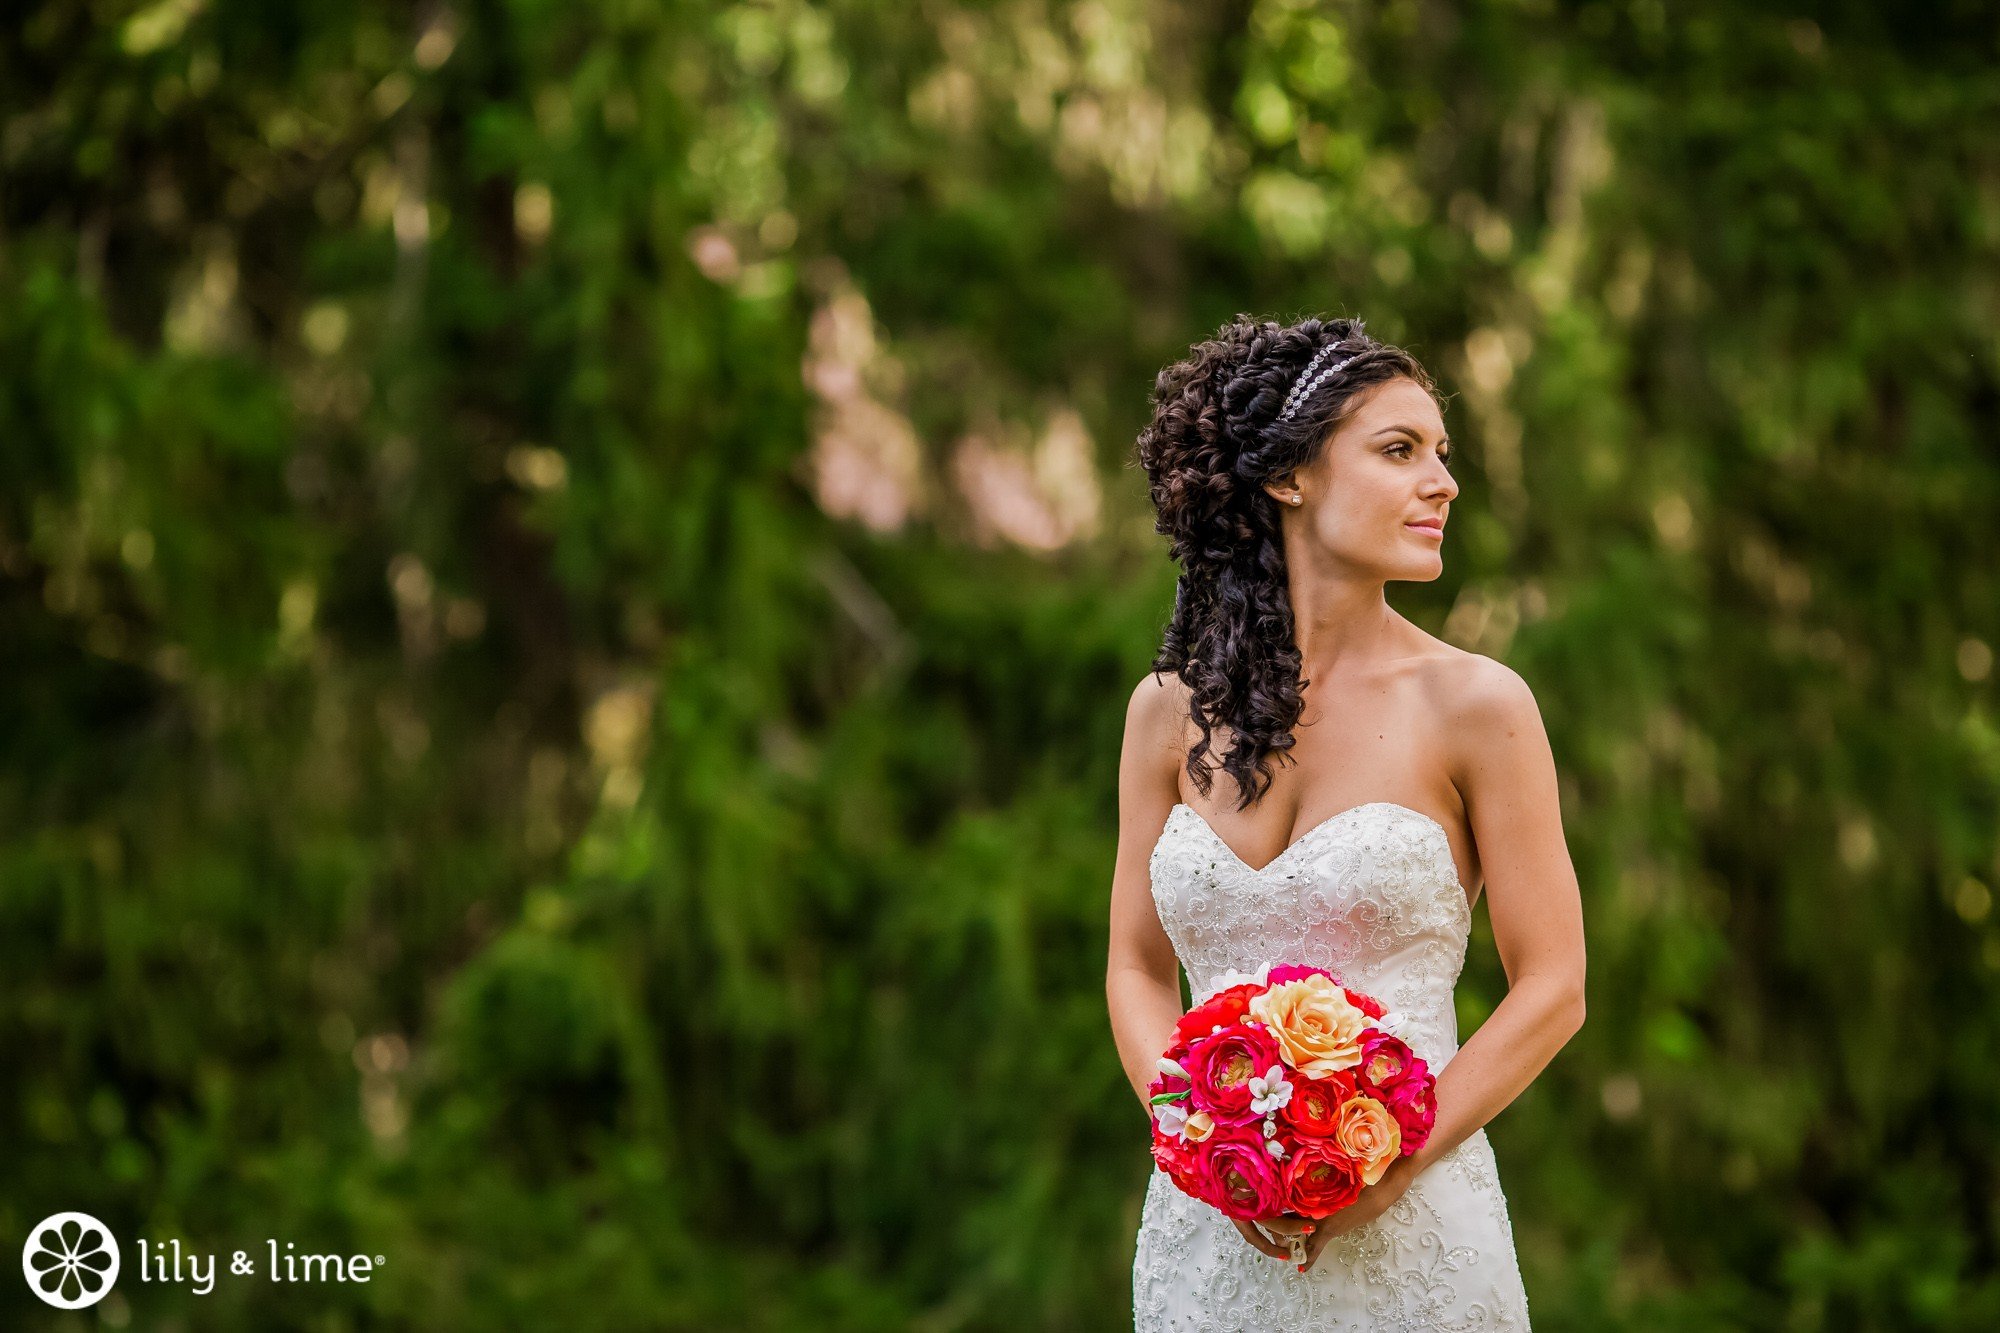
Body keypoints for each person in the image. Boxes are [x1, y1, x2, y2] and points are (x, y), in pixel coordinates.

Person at [1107, 314, 1586, 1328]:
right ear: (1289, 476)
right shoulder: (1165, 710)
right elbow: (1135, 969)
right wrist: (1199, 1134)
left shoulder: (1478, 706)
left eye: (1441, 455)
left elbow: (1552, 986)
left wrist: (1393, 1163)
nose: (1442, 483)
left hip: (1415, 1229)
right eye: (1399, 450)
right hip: (1204, 1241)